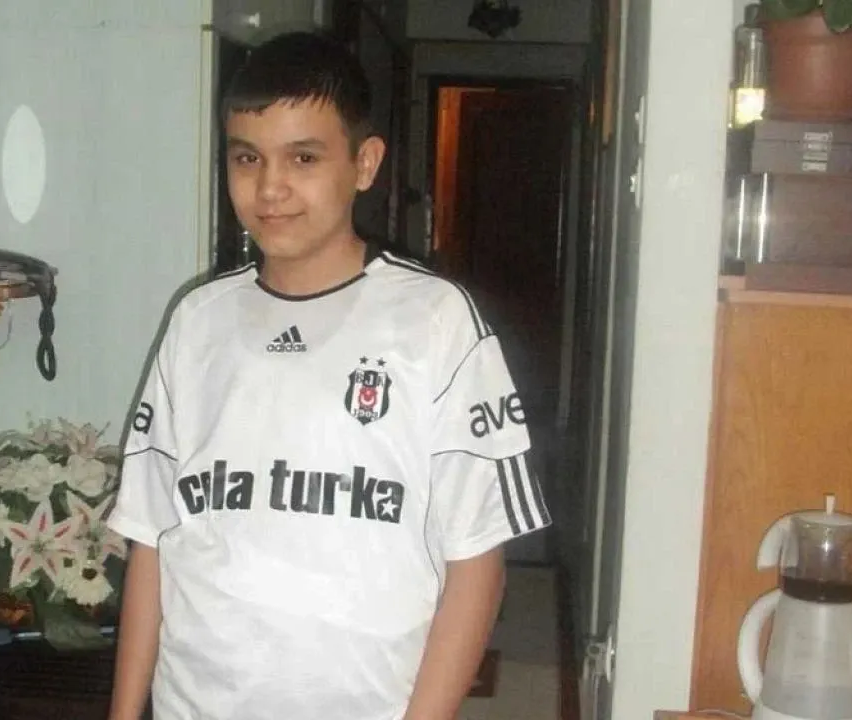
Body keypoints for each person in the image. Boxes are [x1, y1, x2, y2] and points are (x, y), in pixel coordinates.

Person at [106, 31, 550, 720]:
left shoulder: (435, 322)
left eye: (304, 158)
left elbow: (477, 565)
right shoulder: (197, 321)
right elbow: (152, 541)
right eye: (247, 158)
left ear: (364, 164)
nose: (270, 188)